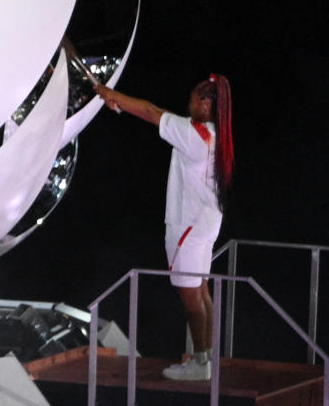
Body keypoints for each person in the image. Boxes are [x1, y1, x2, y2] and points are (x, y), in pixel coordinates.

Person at [94, 75, 234, 381]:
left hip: (190, 226)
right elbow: (155, 113)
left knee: (191, 298)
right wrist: (121, 105)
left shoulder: (195, 136)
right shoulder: (212, 133)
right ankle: (206, 359)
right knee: (202, 292)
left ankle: (200, 365)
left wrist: (109, 91)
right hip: (207, 222)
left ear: (207, 105)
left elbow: (150, 111)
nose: (190, 102)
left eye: (196, 98)